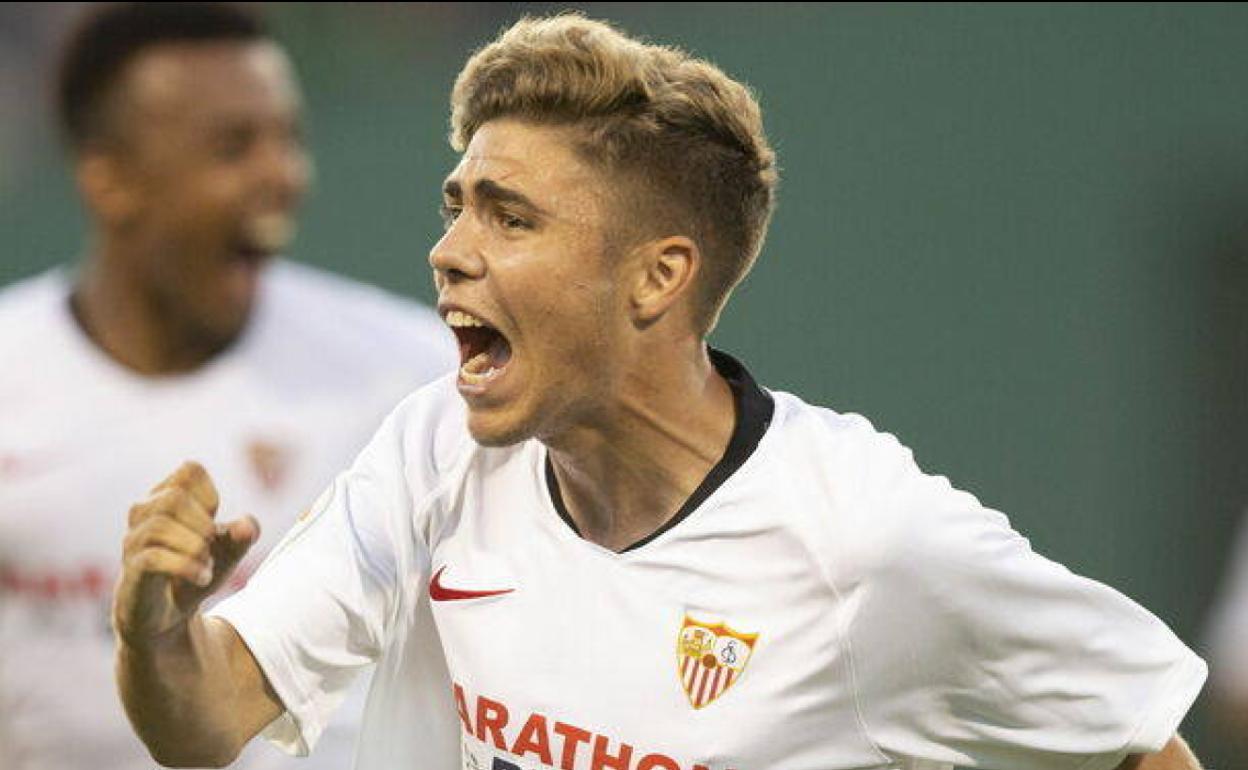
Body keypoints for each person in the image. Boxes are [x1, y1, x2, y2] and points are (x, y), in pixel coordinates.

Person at [112, 13, 1207, 770]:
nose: (447, 250)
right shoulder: (435, 450)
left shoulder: (870, 542)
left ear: (658, 274)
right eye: (456, 204)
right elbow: (204, 717)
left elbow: (1139, 739)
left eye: (509, 215)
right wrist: (156, 632)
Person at [0, 3, 454, 769]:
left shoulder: (410, 375)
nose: (284, 175)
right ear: (110, 179)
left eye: (288, 138)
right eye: (233, 146)